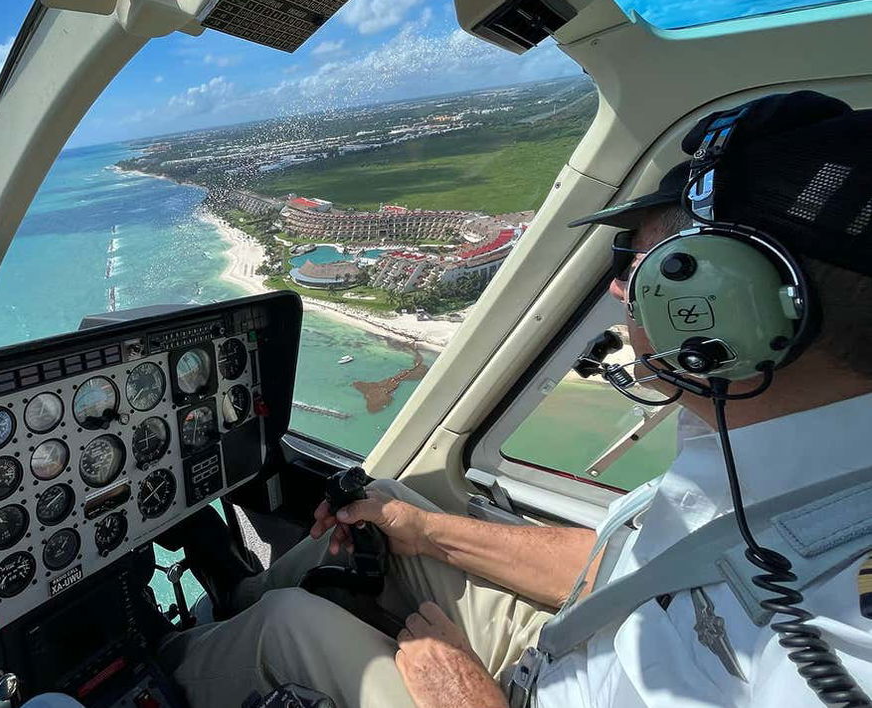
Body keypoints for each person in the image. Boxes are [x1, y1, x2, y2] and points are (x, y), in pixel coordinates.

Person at [160, 91, 872, 707]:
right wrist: (422, 529)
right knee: (383, 503)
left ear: (726, 308)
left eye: (643, 265)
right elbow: (636, 567)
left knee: (286, 626)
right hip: (588, 641)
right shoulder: (757, 451)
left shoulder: (846, 634)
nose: (617, 289)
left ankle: (166, 669)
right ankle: (233, 596)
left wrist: (467, 694)